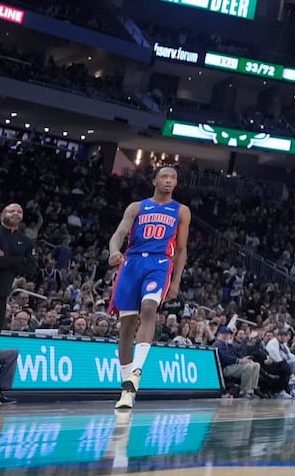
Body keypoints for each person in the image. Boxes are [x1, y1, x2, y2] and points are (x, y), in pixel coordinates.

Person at [106, 166, 190, 410]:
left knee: (149, 308)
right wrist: (114, 251)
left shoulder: (182, 210)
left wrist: (176, 281)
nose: (169, 181)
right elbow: (119, 232)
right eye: (164, 176)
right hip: (132, 263)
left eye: (173, 177)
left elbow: (182, 249)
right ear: (154, 180)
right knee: (127, 326)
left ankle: (137, 372)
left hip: (159, 263)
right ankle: (126, 387)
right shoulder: (137, 207)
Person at [0, 203, 35, 368]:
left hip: (1, 297)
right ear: (2, 215)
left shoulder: (26, 242)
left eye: (19, 211)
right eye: (11, 210)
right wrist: (18, 259)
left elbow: (31, 269)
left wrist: (4, 258)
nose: (15, 213)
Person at [215, 326, 259, 398]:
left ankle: (251, 390)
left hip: (234, 366)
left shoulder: (229, 345)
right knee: (248, 367)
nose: (226, 336)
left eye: (228, 334)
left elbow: (238, 354)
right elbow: (225, 358)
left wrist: (245, 359)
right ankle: (243, 391)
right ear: (219, 334)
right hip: (225, 368)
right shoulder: (218, 344)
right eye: (224, 334)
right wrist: (240, 361)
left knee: (256, 365)